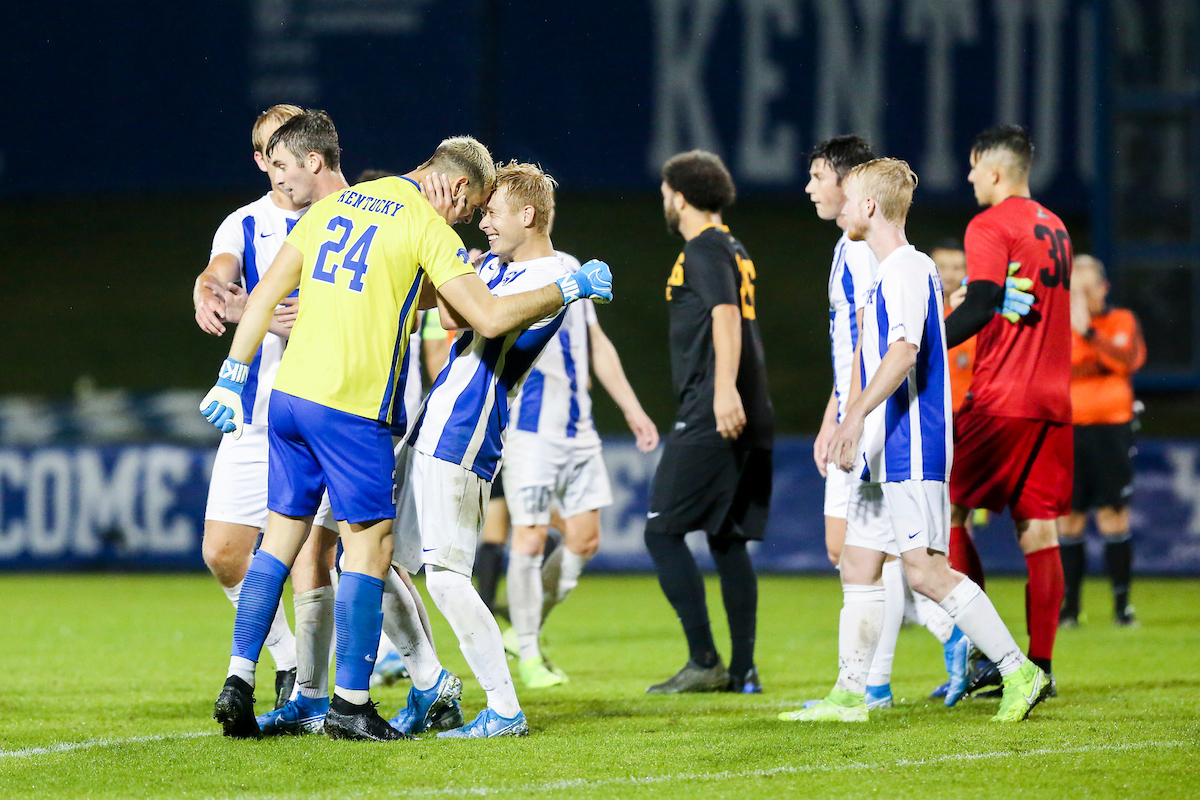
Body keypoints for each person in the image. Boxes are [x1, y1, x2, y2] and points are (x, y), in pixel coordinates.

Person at [199, 117, 612, 741]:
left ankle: (250, 680)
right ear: (457, 187)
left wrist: (234, 372)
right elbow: (477, 313)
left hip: (317, 406)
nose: (478, 220)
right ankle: (355, 700)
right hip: (361, 412)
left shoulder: (339, 206)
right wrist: (567, 287)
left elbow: (266, 295)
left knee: (314, 548)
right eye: (476, 205)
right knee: (371, 552)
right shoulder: (428, 226)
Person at [780, 157, 1051, 724]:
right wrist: (851, 419)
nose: (844, 209)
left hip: (912, 444)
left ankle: (1018, 670)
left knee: (925, 572)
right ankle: (853, 694)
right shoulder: (889, 269)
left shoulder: (905, 268)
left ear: (871, 207)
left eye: (851, 199)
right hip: (884, 445)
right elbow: (871, 352)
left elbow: (903, 355)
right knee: (858, 563)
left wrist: (852, 417)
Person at [390, 162, 614, 737]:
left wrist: (453, 265)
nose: (483, 220)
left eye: (492, 211)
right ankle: (426, 684)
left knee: (444, 576)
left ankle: (504, 706)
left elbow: (479, 320)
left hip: (467, 428)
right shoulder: (496, 264)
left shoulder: (558, 274)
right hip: (432, 425)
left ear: (528, 215)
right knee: (368, 558)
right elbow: (444, 310)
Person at [942, 124, 1071, 691]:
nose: (969, 178)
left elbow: (984, 302)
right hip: (1053, 401)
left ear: (993, 171)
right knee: (1039, 533)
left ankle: (992, 657)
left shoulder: (990, 224)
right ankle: (1040, 668)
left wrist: (921, 339)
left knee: (944, 512)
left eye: (972, 167)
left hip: (1002, 397)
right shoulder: (1056, 226)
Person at [503, 231, 659, 688]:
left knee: (585, 540)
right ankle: (529, 653)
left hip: (579, 429)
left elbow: (596, 343)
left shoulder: (571, 265)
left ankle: (523, 631)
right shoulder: (500, 273)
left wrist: (631, 408)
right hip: (530, 429)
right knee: (528, 540)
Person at [644, 150, 773, 695]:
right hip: (752, 406)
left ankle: (705, 659)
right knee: (727, 538)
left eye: (666, 192)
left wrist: (721, 392)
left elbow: (724, 316)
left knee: (661, 531)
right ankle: (742, 670)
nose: (664, 202)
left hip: (714, 410)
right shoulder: (733, 245)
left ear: (680, 195)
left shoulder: (702, 247)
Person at [191, 104, 306, 710]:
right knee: (224, 551)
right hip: (255, 414)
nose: (282, 164)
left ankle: (411, 678)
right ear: (261, 160)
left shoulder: (341, 215)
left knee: (336, 560)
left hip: (324, 412)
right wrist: (216, 297)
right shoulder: (244, 223)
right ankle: (287, 661)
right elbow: (217, 274)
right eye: (271, 151)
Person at [1058, 255, 1146, 627]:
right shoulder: (1057, 328)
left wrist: (1089, 333)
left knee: (1113, 514)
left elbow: (1127, 360)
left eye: (1087, 287)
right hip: (1068, 429)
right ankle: (1070, 610)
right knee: (1070, 518)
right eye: (1074, 288)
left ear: (1103, 287)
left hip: (1112, 429)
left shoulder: (1120, 321)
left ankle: (1121, 606)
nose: (1081, 295)